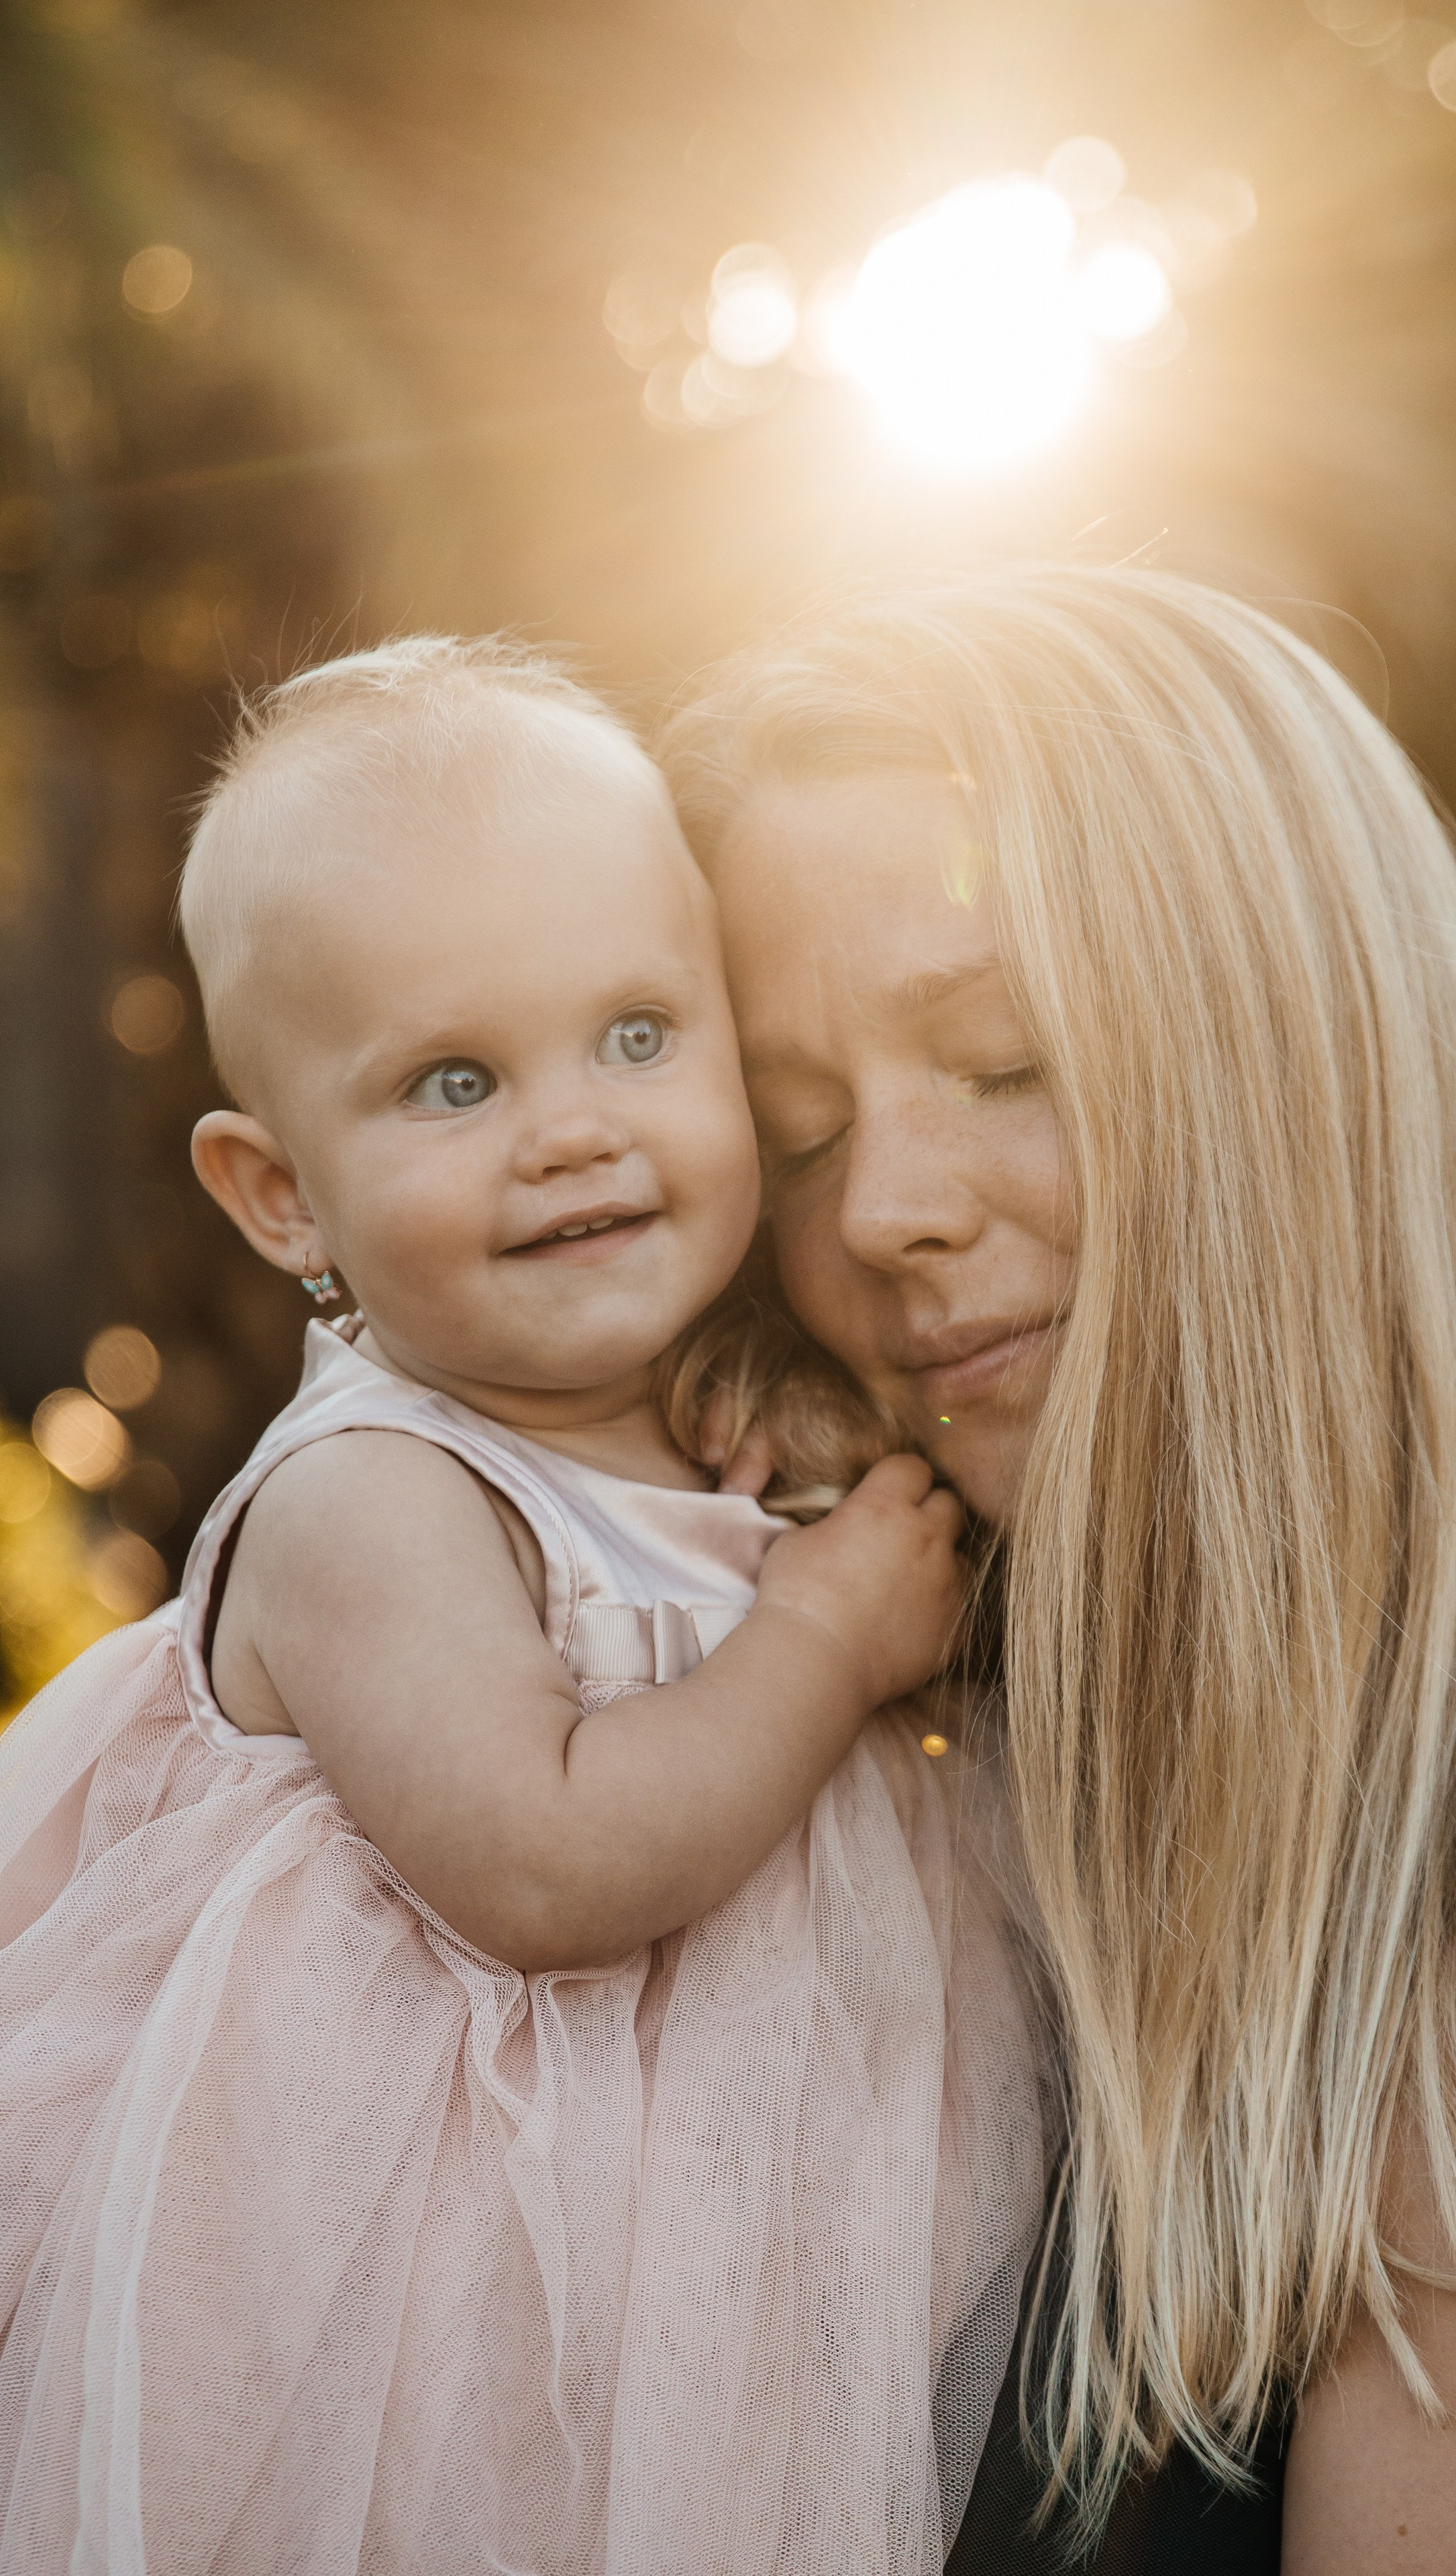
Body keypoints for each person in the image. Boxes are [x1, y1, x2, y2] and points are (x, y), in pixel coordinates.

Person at [662, 564, 1456, 2573]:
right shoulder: (863, 1758)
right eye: (798, 1134)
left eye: (1003, 1059)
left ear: (1306, 1073)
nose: (878, 1210)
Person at [0, 640, 1047, 2575]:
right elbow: (546, 1867)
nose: (570, 1128)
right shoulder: (372, 1502)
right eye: (454, 1082)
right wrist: (823, 1638)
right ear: (281, 1195)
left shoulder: (734, 1411)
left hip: (733, 2283)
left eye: (639, 1035)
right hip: (438, 2359)